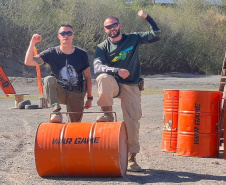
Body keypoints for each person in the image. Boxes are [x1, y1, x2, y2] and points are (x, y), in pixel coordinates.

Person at [93, 10, 161, 172]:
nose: (112, 28)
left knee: (132, 121)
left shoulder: (133, 38)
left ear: (120, 25)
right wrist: (116, 70)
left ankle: (132, 158)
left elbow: (157, 34)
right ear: (105, 30)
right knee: (102, 77)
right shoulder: (102, 47)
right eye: (108, 27)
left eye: (114, 25)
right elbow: (96, 67)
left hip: (132, 86)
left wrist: (147, 18)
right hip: (115, 83)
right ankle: (108, 113)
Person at [24, 24, 93, 123]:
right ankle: (56, 112)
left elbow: (88, 77)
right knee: (48, 80)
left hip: (76, 93)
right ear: (59, 36)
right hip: (59, 92)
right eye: (63, 33)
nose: (66, 36)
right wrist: (33, 42)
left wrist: (90, 98)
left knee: (75, 125)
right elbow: (28, 62)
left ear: (73, 36)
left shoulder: (82, 54)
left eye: (69, 33)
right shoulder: (51, 52)